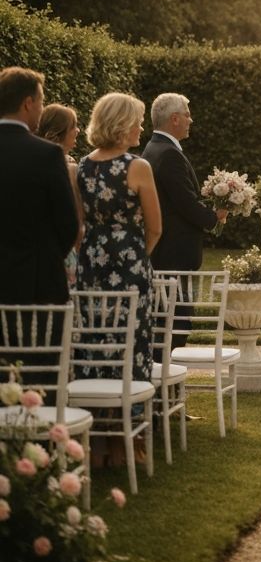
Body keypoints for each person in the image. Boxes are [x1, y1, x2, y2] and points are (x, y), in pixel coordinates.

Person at [77, 93, 162, 382]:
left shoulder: (82, 166)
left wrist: (91, 251)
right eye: (138, 122)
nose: (141, 128)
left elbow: (79, 223)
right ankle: (131, 398)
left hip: (91, 262)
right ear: (122, 124)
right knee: (131, 333)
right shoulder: (138, 167)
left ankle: (93, 394)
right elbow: (155, 228)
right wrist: (137, 255)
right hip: (130, 264)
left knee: (94, 329)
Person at [0, 68, 79, 308]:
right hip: (36, 287)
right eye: (41, 102)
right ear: (28, 103)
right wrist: (47, 259)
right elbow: (68, 224)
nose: (41, 109)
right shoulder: (47, 154)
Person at [142, 93, 225, 273]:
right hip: (174, 255)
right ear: (175, 119)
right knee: (179, 294)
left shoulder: (152, 147)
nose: (191, 120)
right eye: (187, 115)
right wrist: (215, 216)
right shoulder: (169, 154)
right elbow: (186, 203)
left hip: (163, 251)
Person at [37, 103, 85, 287]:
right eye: (73, 126)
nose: (78, 130)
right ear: (59, 132)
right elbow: (76, 217)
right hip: (64, 251)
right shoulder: (69, 167)